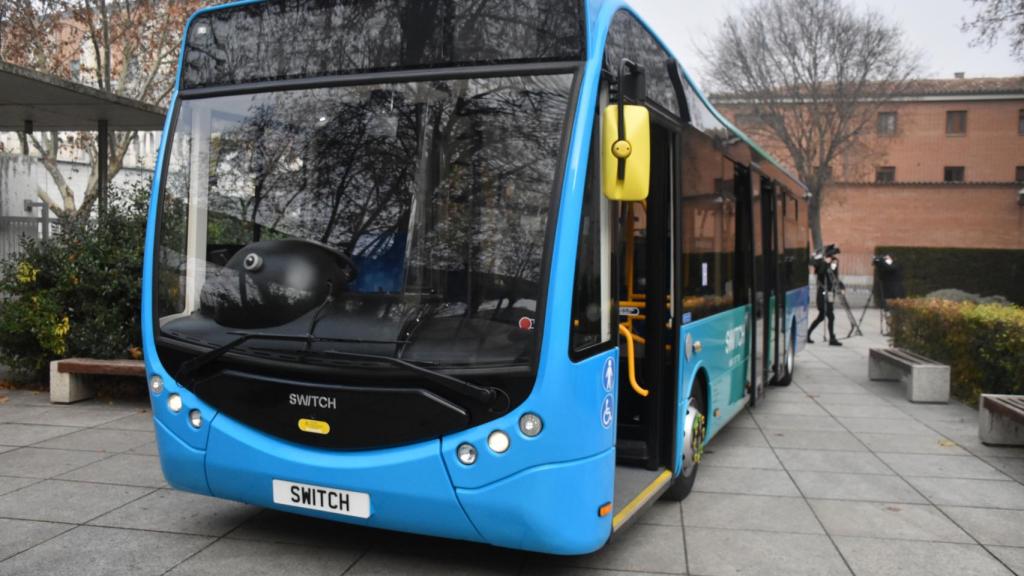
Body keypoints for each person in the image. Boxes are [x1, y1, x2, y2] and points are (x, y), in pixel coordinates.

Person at [808, 244, 844, 346]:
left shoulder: (834, 261)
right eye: (833, 254)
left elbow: (834, 276)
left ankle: (809, 334)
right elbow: (821, 273)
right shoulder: (820, 262)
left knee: (822, 316)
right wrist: (824, 262)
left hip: (829, 293)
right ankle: (832, 338)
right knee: (829, 316)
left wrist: (841, 286)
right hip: (822, 293)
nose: (834, 257)